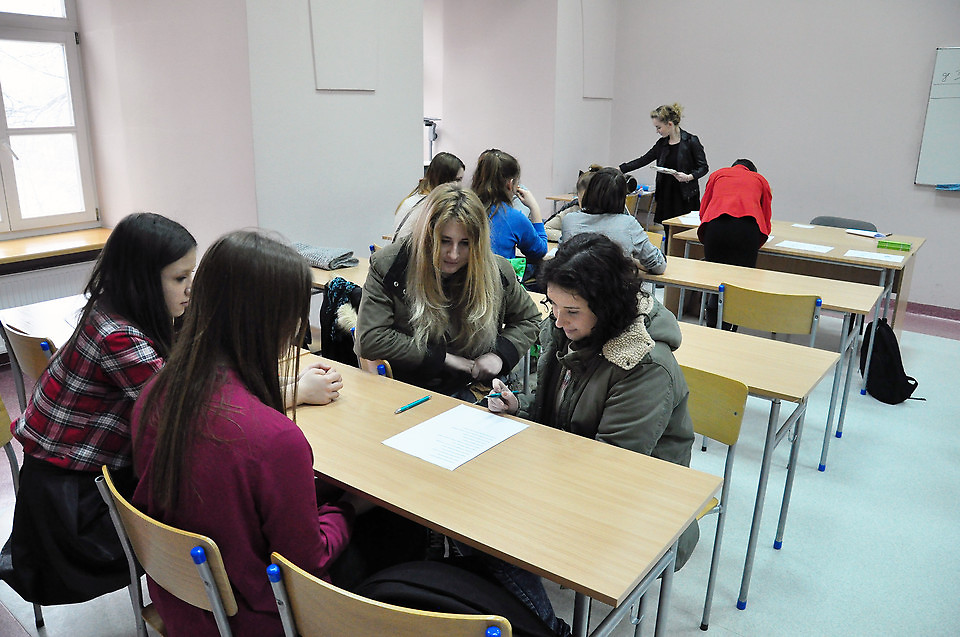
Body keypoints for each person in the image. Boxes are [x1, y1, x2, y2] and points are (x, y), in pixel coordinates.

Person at [131, 230, 366, 636]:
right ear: (276, 322)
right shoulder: (274, 439)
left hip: (182, 602)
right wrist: (348, 507)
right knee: (390, 543)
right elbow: (305, 565)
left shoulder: (156, 392)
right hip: (254, 620)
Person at [0, 212, 197, 605]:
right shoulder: (119, 336)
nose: (191, 288)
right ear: (142, 281)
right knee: (199, 498)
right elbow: (187, 411)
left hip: (62, 479)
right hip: (75, 507)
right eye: (180, 278)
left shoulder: (108, 308)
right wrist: (291, 391)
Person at [488, 232, 699, 567]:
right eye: (553, 304)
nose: (558, 320)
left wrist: (533, 472)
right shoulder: (568, 330)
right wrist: (520, 407)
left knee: (494, 528)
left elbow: (611, 467)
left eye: (571, 311)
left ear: (606, 307)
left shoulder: (643, 365)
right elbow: (560, 409)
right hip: (574, 472)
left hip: (641, 502)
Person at [355, 183, 541, 400]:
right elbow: (370, 338)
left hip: (472, 387)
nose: (453, 254)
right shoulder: (389, 265)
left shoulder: (497, 271)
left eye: (465, 243)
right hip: (409, 388)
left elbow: (529, 319)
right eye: (444, 241)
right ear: (427, 236)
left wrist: (500, 355)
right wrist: (442, 358)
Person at [698, 158, 773, 328]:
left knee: (716, 282)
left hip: (716, 229)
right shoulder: (760, 180)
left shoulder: (717, 175)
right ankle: (730, 330)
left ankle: (712, 328)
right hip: (747, 231)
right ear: (752, 171)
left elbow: (704, 208)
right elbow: (765, 215)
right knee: (739, 283)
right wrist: (761, 237)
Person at [560, 166, 667, 274]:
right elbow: (658, 265)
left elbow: (562, 257)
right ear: (622, 197)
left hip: (576, 283)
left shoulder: (570, 220)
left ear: (590, 191)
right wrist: (630, 260)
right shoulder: (628, 224)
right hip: (612, 284)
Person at [619, 103, 708, 225]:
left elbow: (703, 167)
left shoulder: (691, 141)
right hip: (665, 195)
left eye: (659, 127)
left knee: (683, 229)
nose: (657, 131)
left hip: (685, 196)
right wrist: (621, 169)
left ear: (669, 124)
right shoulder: (661, 144)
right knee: (666, 228)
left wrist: (689, 177)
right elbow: (643, 160)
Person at [471, 149, 548, 265]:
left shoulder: (464, 208)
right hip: (497, 276)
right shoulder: (513, 217)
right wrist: (534, 207)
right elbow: (539, 251)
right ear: (510, 184)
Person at [393, 151, 465, 241]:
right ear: (444, 179)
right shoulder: (432, 207)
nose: (459, 186)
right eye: (457, 180)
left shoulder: (411, 200)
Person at [544, 164, 601, 241]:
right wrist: (571, 237)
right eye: (584, 199)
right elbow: (546, 229)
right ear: (578, 196)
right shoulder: (572, 211)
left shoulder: (610, 215)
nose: (588, 203)